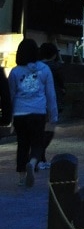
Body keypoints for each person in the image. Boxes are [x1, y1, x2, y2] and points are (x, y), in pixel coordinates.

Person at [8, 38, 58, 186]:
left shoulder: (15, 71)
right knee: (37, 143)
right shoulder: (44, 69)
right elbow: (51, 94)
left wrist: (10, 117)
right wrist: (53, 115)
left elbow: (11, 95)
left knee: (22, 144)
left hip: (20, 113)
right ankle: (33, 161)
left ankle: (21, 177)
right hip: (38, 112)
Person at [38, 42, 65, 170]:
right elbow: (61, 84)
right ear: (54, 54)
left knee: (40, 132)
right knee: (48, 132)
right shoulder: (55, 67)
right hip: (52, 102)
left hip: (37, 103)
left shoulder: (36, 67)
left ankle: (40, 158)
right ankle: (37, 157)